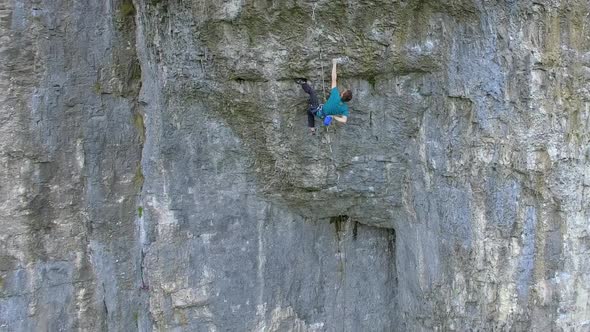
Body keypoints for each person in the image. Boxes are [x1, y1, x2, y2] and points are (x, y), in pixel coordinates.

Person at [296, 59, 353, 134]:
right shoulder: (345, 108)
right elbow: (344, 120)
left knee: (312, 93)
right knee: (309, 111)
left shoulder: (335, 95)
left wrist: (334, 64)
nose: (343, 91)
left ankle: (302, 83)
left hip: (318, 110)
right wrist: (333, 117)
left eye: (344, 91)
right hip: (322, 115)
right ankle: (312, 129)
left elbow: (334, 79)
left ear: (342, 94)